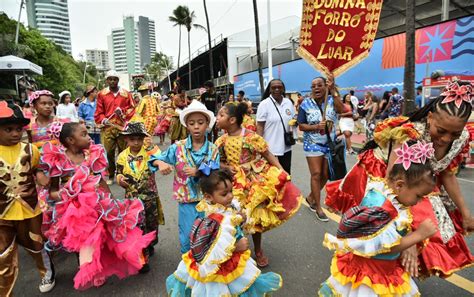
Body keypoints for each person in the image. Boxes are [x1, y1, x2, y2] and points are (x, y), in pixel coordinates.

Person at [325, 80, 474, 279]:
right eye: (441, 131)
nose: (447, 139)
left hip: (419, 181)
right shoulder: (409, 133)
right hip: (386, 175)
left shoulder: (463, 137)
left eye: (454, 134)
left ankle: (395, 273)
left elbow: (446, 173)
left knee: (435, 230)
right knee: (375, 230)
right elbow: (393, 184)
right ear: (430, 118)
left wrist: (465, 213)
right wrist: (408, 237)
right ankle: (358, 270)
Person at [39, 122, 155, 290]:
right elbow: (53, 191)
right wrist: (68, 193)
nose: (89, 137)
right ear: (71, 140)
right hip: (75, 211)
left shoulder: (92, 155)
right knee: (80, 243)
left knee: (106, 235)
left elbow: (100, 180)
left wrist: (111, 200)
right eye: (84, 134)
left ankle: (117, 263)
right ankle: (87, 268)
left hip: (98, 206)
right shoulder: (59, 160)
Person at [319, 140, 437, 296]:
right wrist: (418, 235)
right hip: (370, 273)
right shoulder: (383, 208)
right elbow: (387, 247)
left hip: (386, 268)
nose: (420, 202)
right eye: (419, 196)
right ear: (400, 185)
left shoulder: (388, 193)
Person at [166, 169, 282, 297]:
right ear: (208, 197)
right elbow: (210, 248)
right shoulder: (214, 219)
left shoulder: (226, 207)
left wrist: (241, 219)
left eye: (231, 191)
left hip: (232, 259)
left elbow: (232, 224)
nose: (231, 196)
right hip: (218, 266)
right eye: (224, 193)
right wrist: (235, 247)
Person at [216, 102, 302, 267]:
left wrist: (282, 171)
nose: (217, 118)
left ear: (232, 120)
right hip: (232, 183)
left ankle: (258, 250)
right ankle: (236, 248)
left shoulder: (251, 137)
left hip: (253, 182)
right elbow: (217, 162)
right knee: (233, 216)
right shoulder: (221, 140)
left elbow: (268, 154)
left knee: (254, 217)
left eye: (220, 115)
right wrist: (227, 167)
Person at [149, 100, 220, 253]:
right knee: (188, 237)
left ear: (207, 124)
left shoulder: (213, 149)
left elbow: (217, 172)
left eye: (200, 122)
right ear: (186, 125)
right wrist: (160, 164)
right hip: (187, 202)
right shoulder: (177, 147)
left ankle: (207, 270)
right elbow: (154, 158)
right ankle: (189, 270)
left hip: (209, 201)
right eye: (192, 123)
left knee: (209, 237)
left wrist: (199, 172)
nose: (196, 126)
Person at [0, 102, 56, 295]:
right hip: (2, 214)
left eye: (18, 129)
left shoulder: (31, 150)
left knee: (36, 246)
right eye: (8, 129)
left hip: (30, 209)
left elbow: (37, 170)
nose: (15, 133)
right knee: (3, 256)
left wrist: (44, 179)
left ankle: (47, 273)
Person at [116, 122, 164, 273]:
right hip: (132, 200)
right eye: (132, 139)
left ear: (144, 139)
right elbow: (118, 172)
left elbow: (161, 159)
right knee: (137, 229)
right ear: (126, 140)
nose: (136, 142)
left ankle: (149, 244)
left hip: (149, 197)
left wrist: (157, 157)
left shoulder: (150, 153)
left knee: (151, 224)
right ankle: (142, 260)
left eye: (139, 139)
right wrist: (120, 179)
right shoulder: (122, 157)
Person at [297, 75, 343, 222]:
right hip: (312, 144)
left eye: (319, 85)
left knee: (325, 175)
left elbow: (341, 110)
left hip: (330, 144)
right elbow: (301, 125)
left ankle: (311, 197)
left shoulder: (332, 100)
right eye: (313, 86)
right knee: (316, 174)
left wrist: (334, 91)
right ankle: (317, 207)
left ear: (325, 86)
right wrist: (316, 127)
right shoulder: (305, 103)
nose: (316, 88)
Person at [94, 70, 135, 185]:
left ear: (118, 80)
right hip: (108, 128)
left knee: (123, 152)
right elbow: (99, 111)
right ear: (107, 80)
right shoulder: (102, 94)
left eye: (115, 79)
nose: (112, 81)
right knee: (109, 152)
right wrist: (103, 119)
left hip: (122, 127)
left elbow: (132, 108)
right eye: (110, 79)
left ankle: (122, 173)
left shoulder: (126, 93)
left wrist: (122, 112)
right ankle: (111, 174)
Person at [256, 79, 295, 174]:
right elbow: (260, 127)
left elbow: (292, 119)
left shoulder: (288, 102)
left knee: (286, 175)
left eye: (279, 87)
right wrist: (259, 147)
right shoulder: (264, 104)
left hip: (286, 148)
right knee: (271, 177)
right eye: (274, 87)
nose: (277, 89)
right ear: (269, 90)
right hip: (270, 149)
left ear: (283, 89)